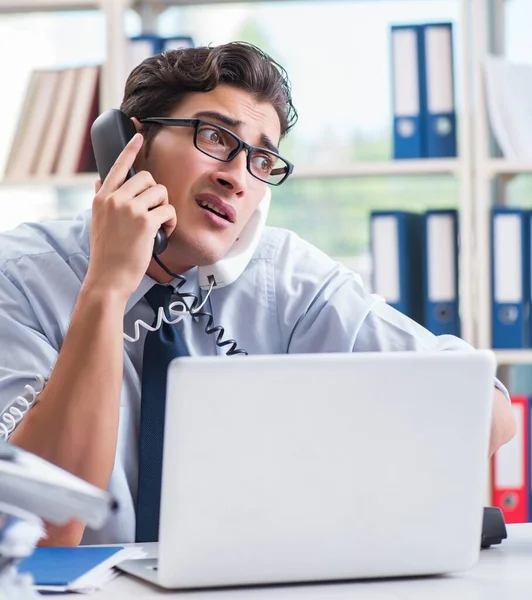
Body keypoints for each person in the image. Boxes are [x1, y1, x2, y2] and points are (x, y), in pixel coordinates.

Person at [0, 42, 515, 547]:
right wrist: (108, 287)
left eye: (262, 160)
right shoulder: (20, 280)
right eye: (217, 137)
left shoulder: (285, 276)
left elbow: (486, 410)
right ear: (129, 147)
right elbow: (47, 532)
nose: (237, 178)